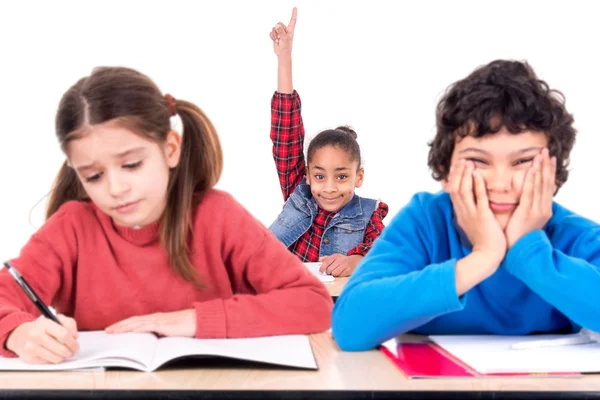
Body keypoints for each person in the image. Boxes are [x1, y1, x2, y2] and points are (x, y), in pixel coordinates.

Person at [0, 66, 333, 364]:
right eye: (93, 176)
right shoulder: (71, 228)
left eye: (131, 164)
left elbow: (313, 303)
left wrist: (193, 320)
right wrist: (17, 332)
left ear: (170, 149)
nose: (116, 188)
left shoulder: (218, 216)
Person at [332, 59, 600, 351]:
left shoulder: (574, 236)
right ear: (446, 171)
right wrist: (483, 257)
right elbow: (350, 327)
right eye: (478, 161)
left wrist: (528, 249)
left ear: (553, 171)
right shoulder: (425, 222)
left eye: (522, 161)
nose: (500, 184)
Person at [268, 8, 389, 277]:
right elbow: (285, 131)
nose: (330, 188)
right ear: (308, 175)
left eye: (342, 176)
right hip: (280, 298)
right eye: (320, 176)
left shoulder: (370, 214)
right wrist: (284, 58)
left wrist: (355, 261)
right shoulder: (297, 191)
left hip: (331, 308)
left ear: (359, 177)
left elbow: (383, 253)